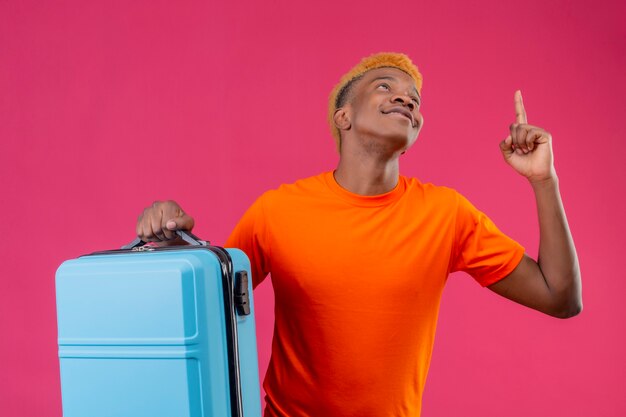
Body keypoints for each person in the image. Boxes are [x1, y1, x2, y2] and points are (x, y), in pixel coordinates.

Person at [135, 52, 582, 417]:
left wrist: (545, 181)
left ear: (415, 132)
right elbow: (208, 314)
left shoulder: (446, 214)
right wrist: (175, 249)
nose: (407, 100)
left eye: (415, 98)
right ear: (343, 116)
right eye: (386, 87)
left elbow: (559, 297)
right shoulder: (278, 210)